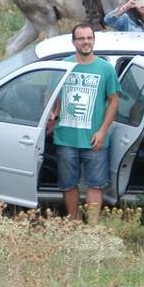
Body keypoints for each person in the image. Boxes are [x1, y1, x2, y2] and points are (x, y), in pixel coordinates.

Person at [48, 23, 120, 224]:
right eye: (81, 38)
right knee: (68, 184)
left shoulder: (105, 69)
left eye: (89, 38)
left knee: (95, 184)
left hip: (94, 138)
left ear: (94, 40)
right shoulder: (64, 65)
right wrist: (54, 113)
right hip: (66, 136)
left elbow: (114, 100)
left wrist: (103, 131)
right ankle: (73, 222)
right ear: (74, 42)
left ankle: (92, 227)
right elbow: (53, 95)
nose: (86, 42)